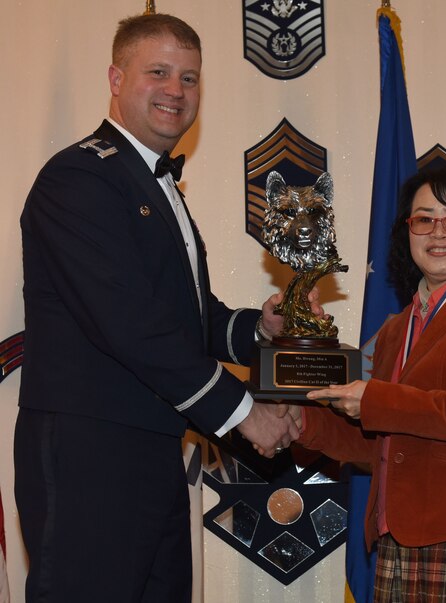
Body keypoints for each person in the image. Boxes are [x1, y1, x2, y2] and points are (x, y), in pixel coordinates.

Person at [15, 13, 306, 602]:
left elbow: (186, 317)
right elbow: (131, 325)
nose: (177, 90)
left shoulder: (152, 183)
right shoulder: (79, 177)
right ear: (116, 79)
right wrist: (243, 413)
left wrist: (262, 328)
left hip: (153, 447)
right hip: (89, 452)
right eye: (159, 72)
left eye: (191, 78)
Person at [290, 166, 446, 602]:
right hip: (399, 544)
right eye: (424, 219)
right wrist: (298, 419)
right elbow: (382, 444)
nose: (438, 232)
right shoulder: (396, 330)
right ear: (407, 232)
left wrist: (375, 399)